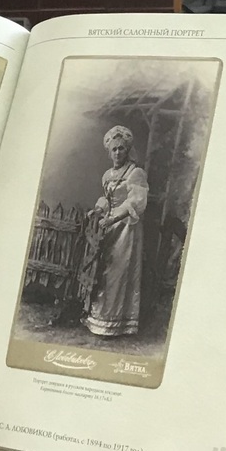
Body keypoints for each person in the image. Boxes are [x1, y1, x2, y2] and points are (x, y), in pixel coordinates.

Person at [82, 126, 149, 337]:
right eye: (114, 149)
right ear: (109, 152)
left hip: (126, 227)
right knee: (103, 270)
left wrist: (114, 218)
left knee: (117, 272)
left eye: (121, 148)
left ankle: (116, 323)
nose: (118, 153)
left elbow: (135, 202)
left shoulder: (135, 173)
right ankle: (98, 318)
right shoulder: (107, 175)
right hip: (108, 226)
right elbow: (107, 198)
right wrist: (98, 210)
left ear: (127, 150)